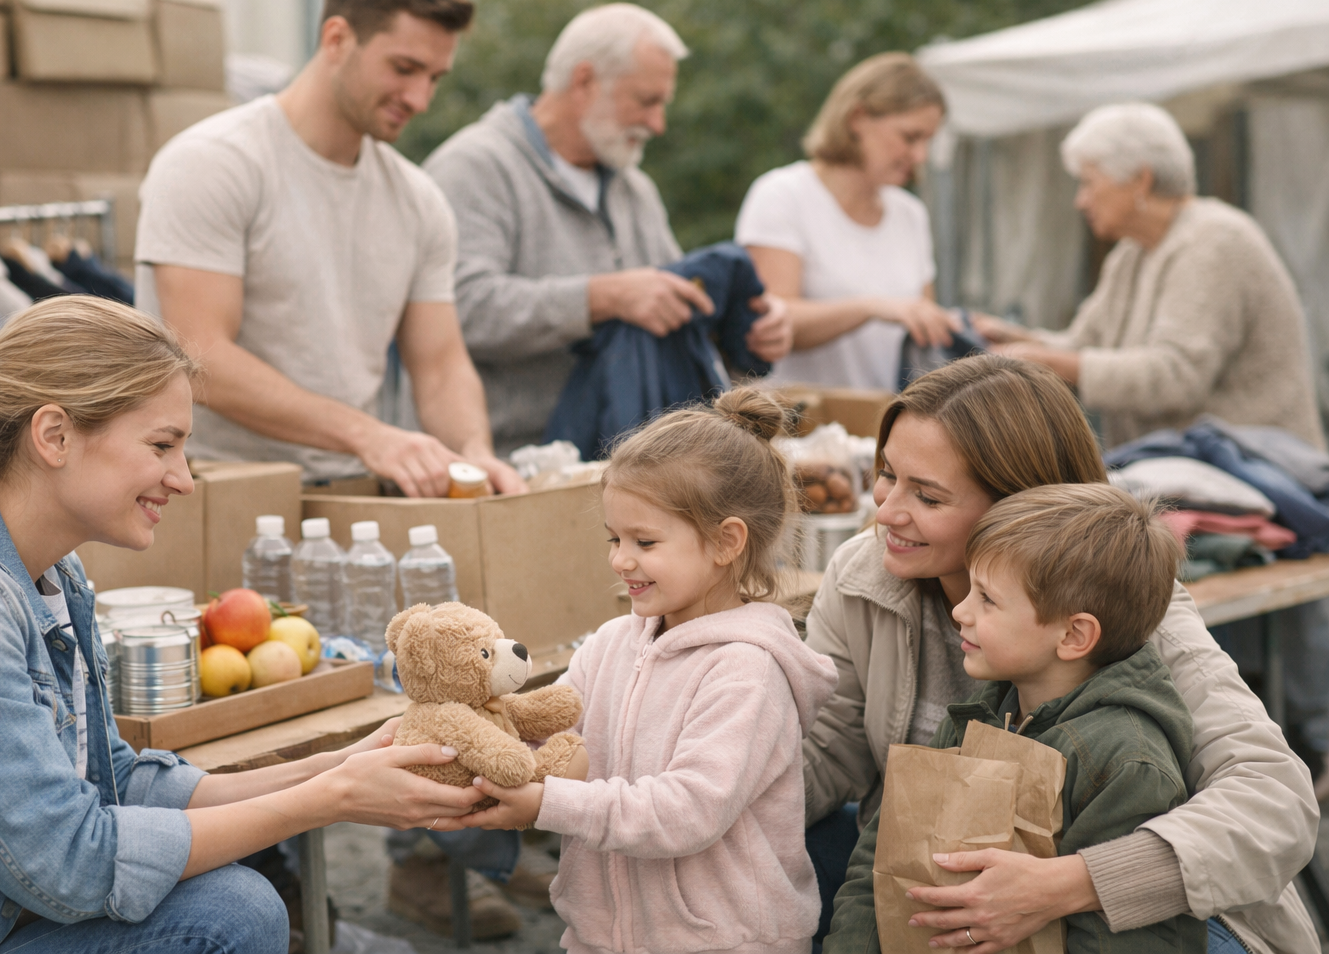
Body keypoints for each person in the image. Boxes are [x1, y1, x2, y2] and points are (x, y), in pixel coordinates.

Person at [0, 297, 484, 954]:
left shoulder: (50, 572)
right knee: (232, 914)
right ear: (55, 436)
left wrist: (336, 767)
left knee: (234, 904)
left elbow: (112, 780)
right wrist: (326, 801)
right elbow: (71, 865)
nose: (183, 479)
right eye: (162, 445)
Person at [801, 354, 1319, 954]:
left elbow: (1276, 802)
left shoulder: (1133, 610)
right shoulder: (864, 575)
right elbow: (827, 753)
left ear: (1021, 508)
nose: (886, 511)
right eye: (886, 474)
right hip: (946, 876)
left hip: (1136, 918)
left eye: (929, 497)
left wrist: (1066, 884)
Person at [447, 388, 839, 953]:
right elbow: (547, 731)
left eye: (644, 541)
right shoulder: (610, 644)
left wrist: (547, 804)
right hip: (600, 937)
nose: (619, 559)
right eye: (614, 537)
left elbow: (687, 812)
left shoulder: (748, 672)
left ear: (726, 541)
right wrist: (474, 737)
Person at [135, 0, 523, 498]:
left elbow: (439, 366)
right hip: (211, 489)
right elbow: (199, 355)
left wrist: (475, 452)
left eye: (434, 77)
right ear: (337, 38)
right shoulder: (212, 163)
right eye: (404, 68)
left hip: (353, 491)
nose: (420, 98)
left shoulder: (419, 200)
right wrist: (367, 434)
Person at [825, 483, 1205, 953]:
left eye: (987, 598)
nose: (960, 611)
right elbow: (878, 861)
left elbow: (1126, 942)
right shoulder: (975, 717)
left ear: (1074, 635)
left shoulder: (1127, 763)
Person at [424, 4, 793, 457]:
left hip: (626, 467)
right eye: (646, 101)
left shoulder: (634, 188)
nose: (657, 124)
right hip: (512, 466)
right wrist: (603, 298)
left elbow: (669, 317)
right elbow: (457, 313)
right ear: (584, 82)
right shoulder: (474, 169)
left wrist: (748, 329)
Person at [974, 101, 1324, 451]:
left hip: (1258, 467)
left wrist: (1048, 361)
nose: (1081, 201)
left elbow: (1176, 376)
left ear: (1140, 180)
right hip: (1190, 466)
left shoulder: (1215, 241)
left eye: (1088, 183)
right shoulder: (1133, 252)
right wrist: (1011, 339)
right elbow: (1083, 345)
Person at [735, 52, 957, 392]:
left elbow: (922, 318)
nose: (920, 156)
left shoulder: (910, 213)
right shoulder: (782, 196)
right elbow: (768, 323)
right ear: (857, 119)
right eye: (910, 137)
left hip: (886, 416)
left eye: (928, 141)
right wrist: (870, 307)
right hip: (801, 417)